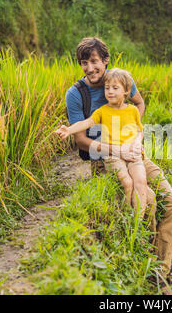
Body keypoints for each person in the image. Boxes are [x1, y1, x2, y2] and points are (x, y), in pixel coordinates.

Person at [61, 37, 172, 293]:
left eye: (94, 61)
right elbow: (81, 140)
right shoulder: (76, 94)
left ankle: (160, 270)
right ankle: (151, 270)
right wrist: (118, 148)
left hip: (135, 154)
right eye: (84, 63)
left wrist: (131, 134)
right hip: (105, 159)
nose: (89, 68)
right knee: (146, 198)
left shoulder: (121, 80)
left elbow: (139, 104)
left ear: (105, 60)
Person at [55, 67, 152, 221]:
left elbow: (139, 130)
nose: (110, 92)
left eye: (115, 88)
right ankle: (126, 216)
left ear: (126, 91)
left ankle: (137, 223)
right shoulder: (102, 111)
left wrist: (137, 143)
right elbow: (86, 123)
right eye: (107, 88)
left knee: (140, 181)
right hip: (113, 155)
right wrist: (69, 130)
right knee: (127, 182)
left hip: (133, 153)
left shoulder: (133, 110)